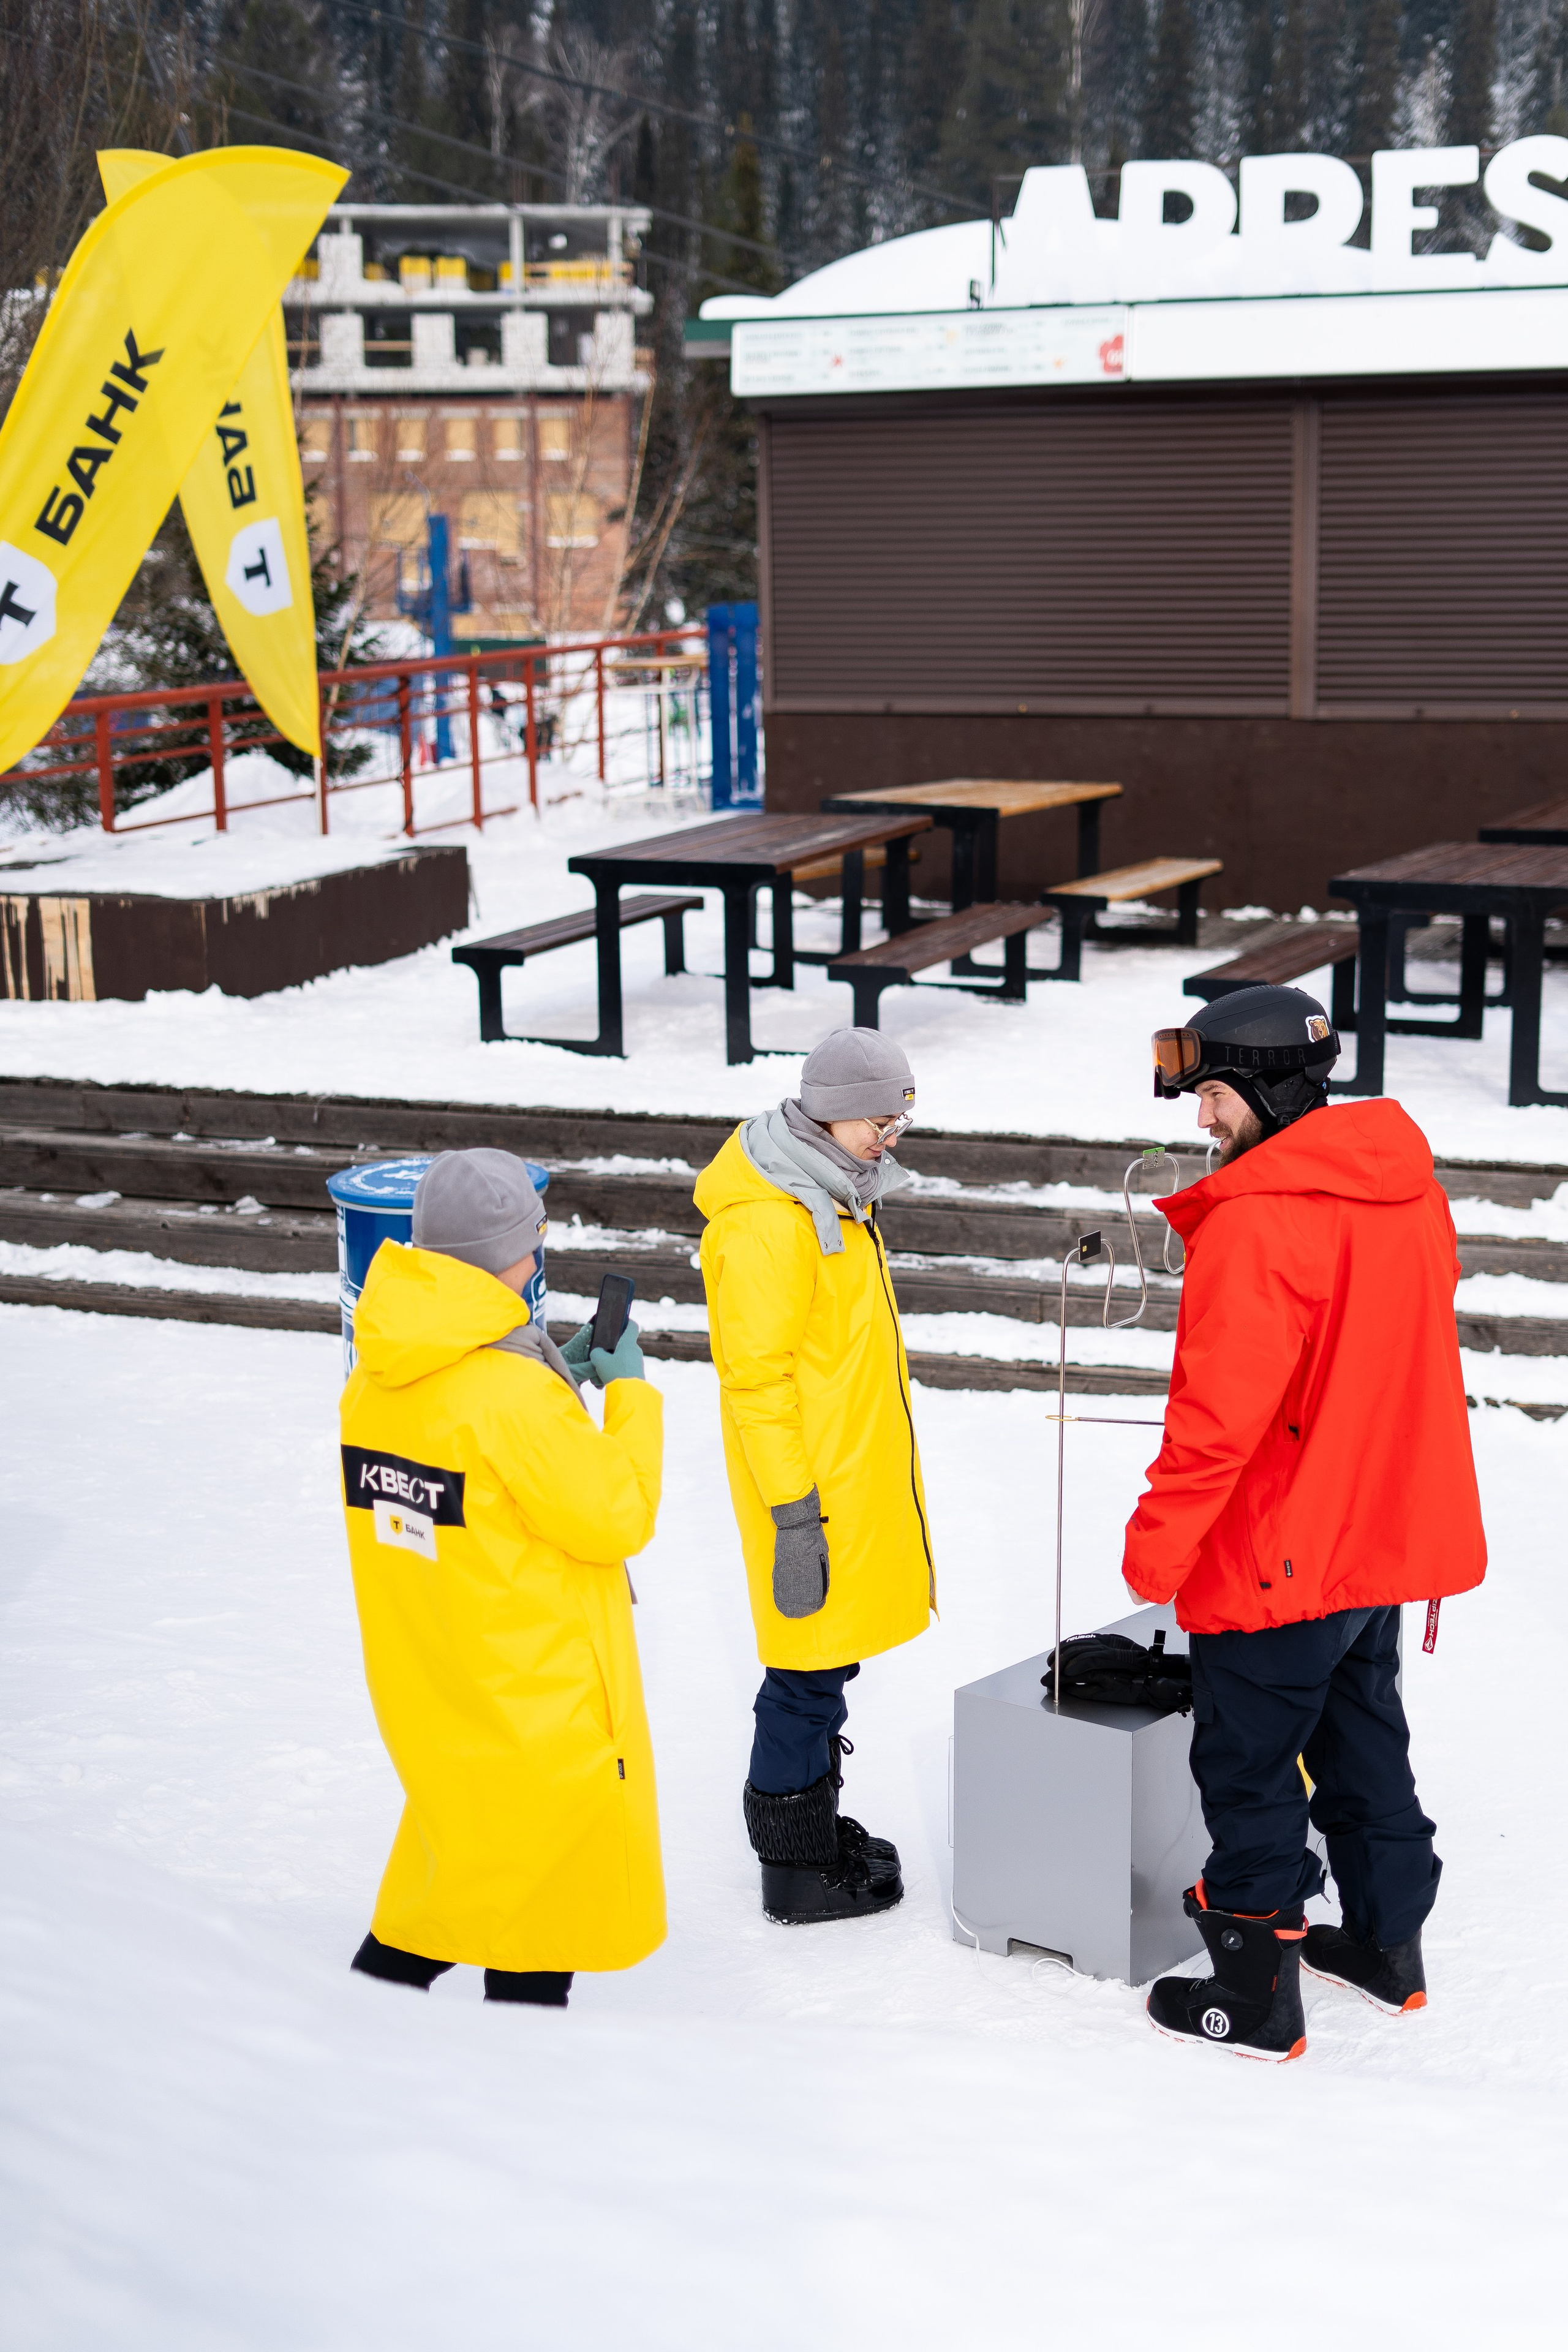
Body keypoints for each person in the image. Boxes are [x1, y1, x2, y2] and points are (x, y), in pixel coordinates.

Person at [1126, 984, 1486, 2060]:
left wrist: (1155, 1549)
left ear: (1273, 1090)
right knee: (1363, 1740)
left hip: (1277, 1554)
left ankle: (1253, 1997)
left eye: (1216, 1095)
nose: (1202, 1119)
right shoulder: (1406, 1192)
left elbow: (1215, 1423)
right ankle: (1384, 1946)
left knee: (1248, 1769)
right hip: (1375, 1541)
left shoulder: (1256, 1220)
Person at [339, 1148, 664, 2007]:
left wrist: (549, 1370)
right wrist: (628, 1395)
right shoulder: (513, 1399)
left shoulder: (380, 1371)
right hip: (534, 1694)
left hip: (438, 1680)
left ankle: (356, 2032)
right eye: (534, 1238)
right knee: (539, 1913)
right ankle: (513, 2074)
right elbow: (616, 1516)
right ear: (504, 1254)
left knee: (449, 1880)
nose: (539, 1254)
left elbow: (470, 1467)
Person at [694, 1028, 935, 1925]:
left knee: (826, 1668)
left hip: (844, 1484)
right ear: (831, 1114)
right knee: (803, 1678)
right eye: (880, 1123)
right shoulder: (769, 1221)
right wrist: (795, 1516)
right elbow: (756, 1385)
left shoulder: (832, 1192)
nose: (889, 1140)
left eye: (899, 1123)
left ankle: (814, 1829)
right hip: (807, 1495)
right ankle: (795, 1869)